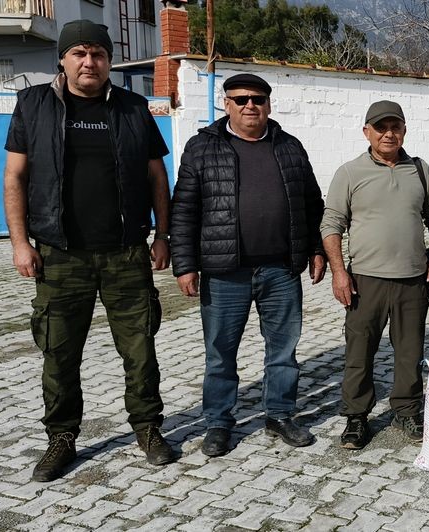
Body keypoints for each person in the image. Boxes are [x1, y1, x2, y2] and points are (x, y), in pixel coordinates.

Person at [2, 19, 174, 482]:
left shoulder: (133, 108)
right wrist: (20, 243)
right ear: (62, 58)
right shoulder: (33, 105)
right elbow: (14, 178)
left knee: (140, 349)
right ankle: (62, 437)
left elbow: (158, 177)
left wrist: (162, 235)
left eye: (97, 53)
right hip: (59, 255)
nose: (89, 62)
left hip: (125, 254)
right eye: (79, 53)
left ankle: (147, 428)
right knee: (59, 352)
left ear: (109, 61)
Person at [170, 73, 327, 457]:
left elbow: (311, 203)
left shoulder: (289, 147)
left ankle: (280, 414)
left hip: (280, 270)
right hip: (225, 272)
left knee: (283, 350)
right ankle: (219, 422)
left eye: (257, 98)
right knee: (220, 352)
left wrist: (315, 249)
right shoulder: (203, 147)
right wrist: (185, 264)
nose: (249, 105)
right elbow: (184, 209)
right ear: (227, 104)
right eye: (240, 99)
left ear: (269, 104)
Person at [321, 100, 429, 450]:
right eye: (381, 127)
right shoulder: (349, 173)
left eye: (395, 127)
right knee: (359, 352)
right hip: (365, 280)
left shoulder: (419, 170)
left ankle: (406, 409)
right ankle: (356, 417)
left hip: (412, 279)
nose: (389, 133)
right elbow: (331, 223)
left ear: (404, 131)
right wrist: (339, 273)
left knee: (409, 350)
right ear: (367, 132)